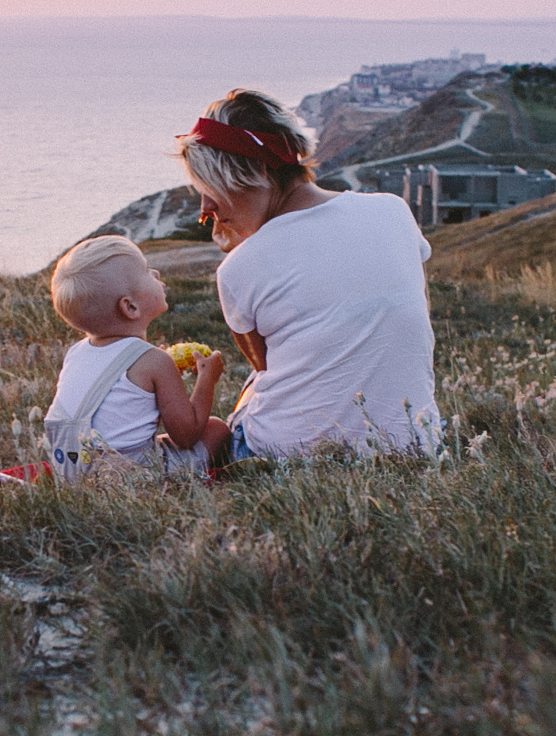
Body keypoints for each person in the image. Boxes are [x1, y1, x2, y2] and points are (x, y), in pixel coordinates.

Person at [178, 89, 441, 460]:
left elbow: (265, 368)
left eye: (211, 189)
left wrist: (245, 249)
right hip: (415, 446)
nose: (206, 209)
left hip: (286, 457)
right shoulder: (393, 210)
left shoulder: (239, 267)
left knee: (251, 393)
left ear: (258, 172)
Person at [43, 235, 223, 473]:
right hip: (129, 478)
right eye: (147, 271)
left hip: (71, 469)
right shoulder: (155, 362)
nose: (157, 274)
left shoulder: (76, 353)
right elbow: (187, 435)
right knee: (217, 430)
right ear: (130, 307)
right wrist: (207, 379)